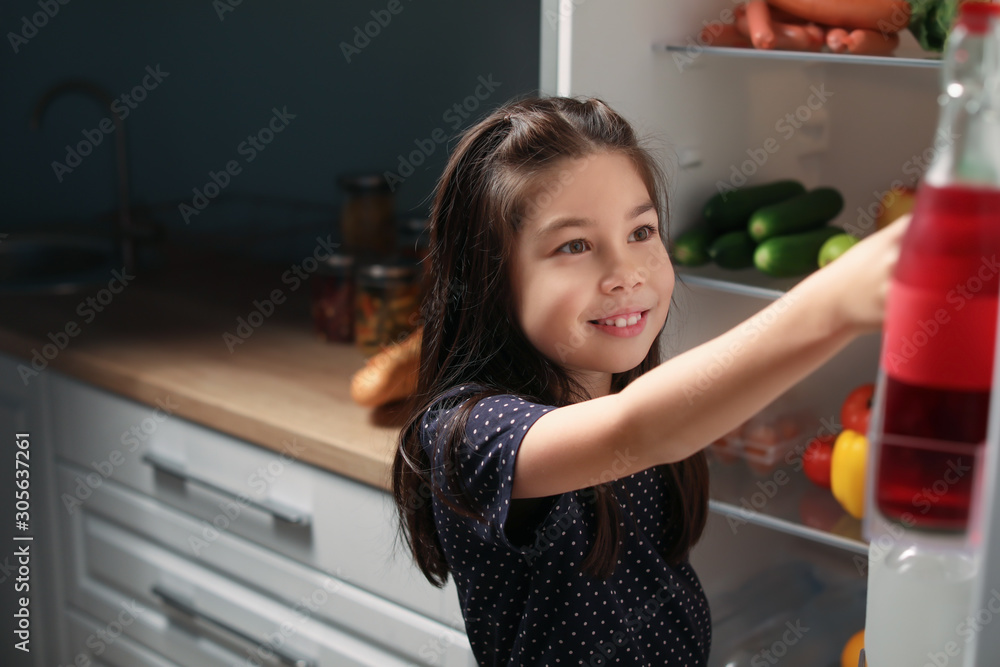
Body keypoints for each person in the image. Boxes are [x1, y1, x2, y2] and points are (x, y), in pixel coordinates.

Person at [391, 96, 906, 665]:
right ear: (489, 278)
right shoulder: (470, 433)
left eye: (641, 231)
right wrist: (835, 303)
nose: (626, 273)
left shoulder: (627, 385)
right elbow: (636, 430)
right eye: (575, 246)